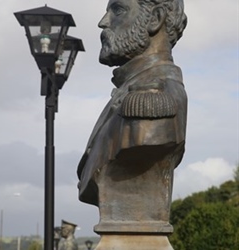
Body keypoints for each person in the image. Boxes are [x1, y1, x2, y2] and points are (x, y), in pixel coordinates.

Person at [77, 0, 187, 241]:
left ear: (154, 19)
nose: (103, 22)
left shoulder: (155, 98)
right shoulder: (126, 93)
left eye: (117, 10)